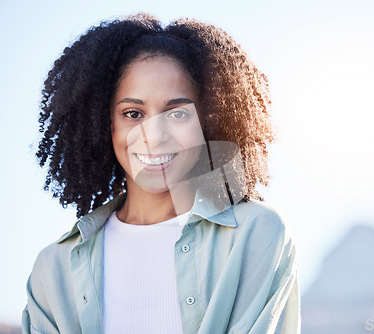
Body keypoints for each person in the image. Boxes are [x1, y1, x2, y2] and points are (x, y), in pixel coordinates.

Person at [22, 13, 300, 334]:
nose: (154, 135)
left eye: (178, 113)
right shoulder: (53, 270)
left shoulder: (257, 235)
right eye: (133, 113)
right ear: (106, 124)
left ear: (207, 122)